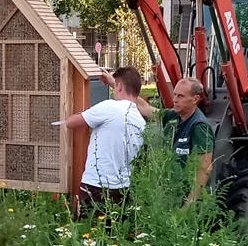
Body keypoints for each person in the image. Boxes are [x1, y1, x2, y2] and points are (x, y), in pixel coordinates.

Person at [102, 72, 214, 205]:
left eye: (181, 96)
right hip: (172, 195)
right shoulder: (175, 116)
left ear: (195, 99)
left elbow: (204, 168)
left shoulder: (199, 127)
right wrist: (116, 85)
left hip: (188, 200)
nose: (175, 99)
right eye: (175, 94)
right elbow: (147, 108)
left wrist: (188, 206)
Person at [65, 66, 146, 219]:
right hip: (122, 189)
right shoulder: (140, 120)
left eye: (115, 86)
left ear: (120, 86)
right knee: (111, 236)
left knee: (85, 233)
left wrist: (82, 113)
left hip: (96, 187)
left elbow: (70, 122)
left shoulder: (110, 107)